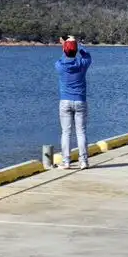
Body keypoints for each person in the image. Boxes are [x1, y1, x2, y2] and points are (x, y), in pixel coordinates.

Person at [54, 35, 92, 170]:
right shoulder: (83, 64)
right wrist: (76, 43)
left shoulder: (59, 65)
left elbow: (64, 56)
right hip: (80, 101)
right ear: (76, 51)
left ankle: (66, 162)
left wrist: (66, 44)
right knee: (81, 132)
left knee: (66, 132)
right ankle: (84, 161)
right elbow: (86, 55)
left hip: (65, 101)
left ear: (64, 50)